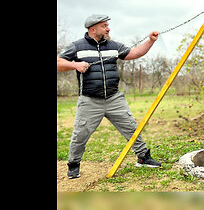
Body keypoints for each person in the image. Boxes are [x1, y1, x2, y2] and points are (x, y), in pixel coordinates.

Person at [57, 14, 162, 179]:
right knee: (80, 134)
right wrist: (75, 65)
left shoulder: (113, 46)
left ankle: (143, 157)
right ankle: (73, 165)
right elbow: (58, 62)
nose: (108, 28)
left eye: (107, 25)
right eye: (104, 26)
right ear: (93, 29)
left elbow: (134, 53)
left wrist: (150, 41)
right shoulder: (77, 46)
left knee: (131, 128)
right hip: (89, 100)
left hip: (114, 98)